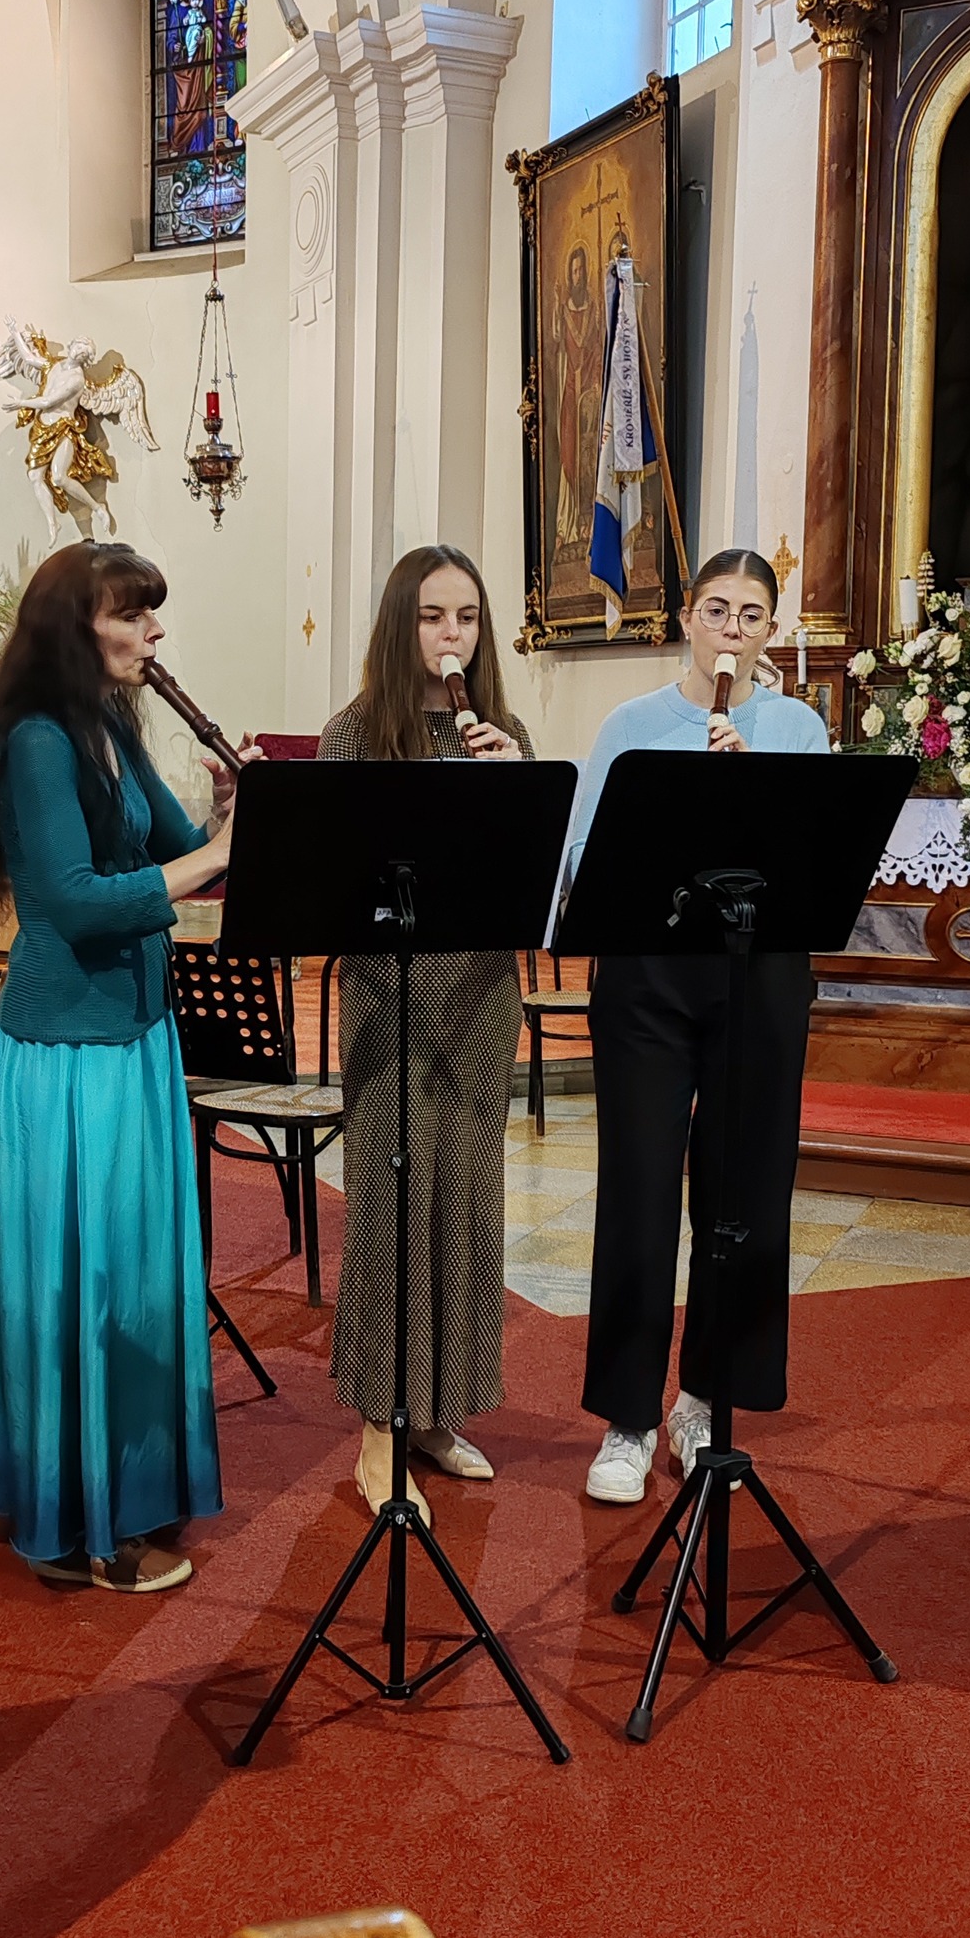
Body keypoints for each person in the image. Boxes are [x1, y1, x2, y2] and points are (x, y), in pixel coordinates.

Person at [0, 540, 252, 1591]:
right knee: (89, 1279)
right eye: (135, 614)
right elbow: (72, 902)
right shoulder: (37, 739)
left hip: (134, 1033)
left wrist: (225, 817)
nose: (156, 632)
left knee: (127, 1275)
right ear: (76, 627)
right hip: (68, 1051)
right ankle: (78, 1519)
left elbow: (176, 852)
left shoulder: (109, 727)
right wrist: (211, 856)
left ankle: (106, 1490)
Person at [567, 548, 828, 1504]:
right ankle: (627, 1419)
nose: (731, 629)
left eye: (751, 615)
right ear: (687, 618)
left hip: (759, 980)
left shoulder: (797, 728)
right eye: (716, 609)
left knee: (743, 1198)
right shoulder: (631, 725)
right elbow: (584, 855)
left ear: (771, 632)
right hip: (648, 977)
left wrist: (756, 802)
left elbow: (819, 865)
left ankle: (706, 1398)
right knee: (639, 1193)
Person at [318, 545, 533, 1522]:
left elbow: (530, 881)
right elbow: (335, 885)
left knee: (466, 1202)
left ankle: (438, 1412)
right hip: (390, 996)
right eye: (434, 616)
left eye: (469, 618)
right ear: (400, 624)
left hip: (481, 995)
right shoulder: (355, 736)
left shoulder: (504, 734)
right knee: (392, 1208)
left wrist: (519, 789)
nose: (454, 635)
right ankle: (379, 1428)